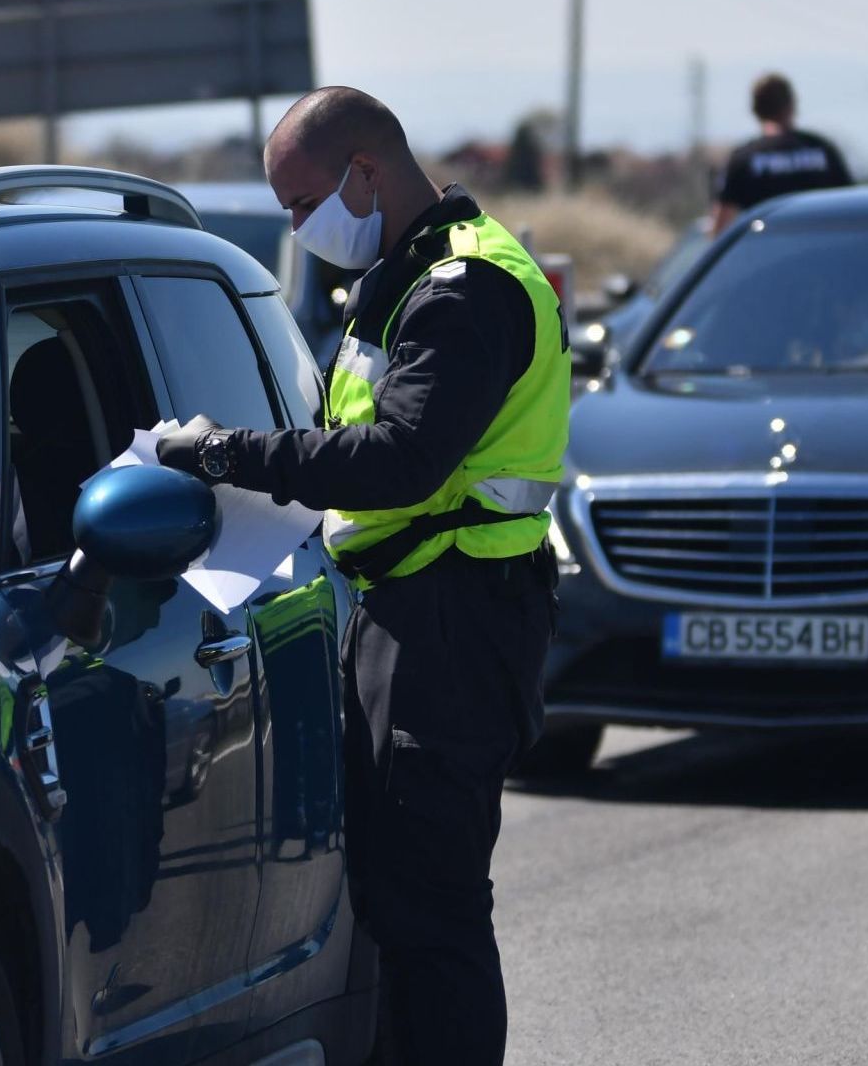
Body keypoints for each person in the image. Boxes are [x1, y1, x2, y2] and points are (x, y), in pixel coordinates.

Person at [156, 86, 567, 1066]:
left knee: (434, 910)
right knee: (402, 901)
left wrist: (226, 455)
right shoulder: (413, 273)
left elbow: (399, 460)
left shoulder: (464, 289)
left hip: (453, 623)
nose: (302, 228)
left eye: (304, 204)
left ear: (366, 173)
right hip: (422, 610)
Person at [712, 73, 853, 235]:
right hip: (823, 246)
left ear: (755, 110)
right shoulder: (822, 150)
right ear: (792, 105)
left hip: (768, 249)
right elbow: (850, 208)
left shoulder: (743, 159)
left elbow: (720, 226)